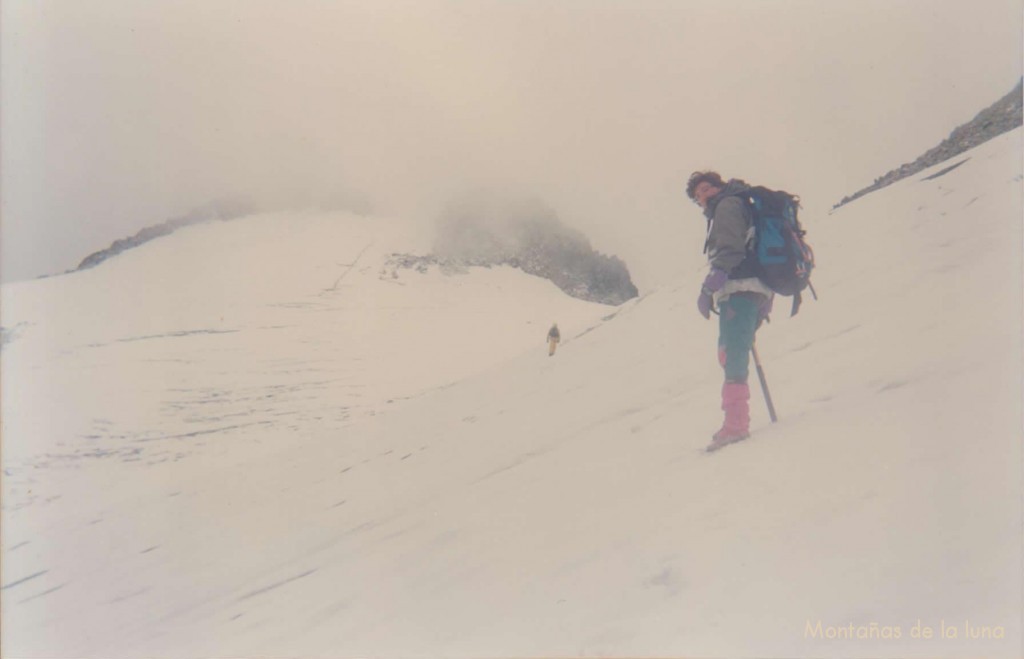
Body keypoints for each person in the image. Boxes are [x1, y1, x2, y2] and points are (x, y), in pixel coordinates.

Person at [686, 171, 773, 451]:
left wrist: (709, 288)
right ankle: (735, 421)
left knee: (732, 352)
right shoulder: (736, 205)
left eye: (707, 189)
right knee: (733, 349)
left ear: (719, 187)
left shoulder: (727, 206)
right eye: (698, 195)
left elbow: (730, 251)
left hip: (739, 288)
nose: (703, 196)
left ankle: (736, 425)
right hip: (752, 289)